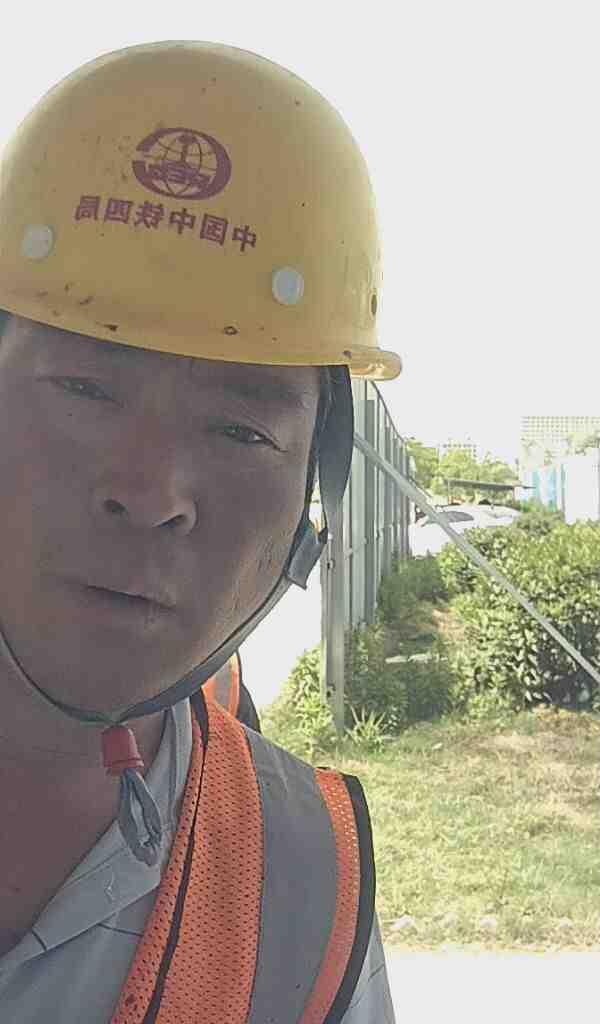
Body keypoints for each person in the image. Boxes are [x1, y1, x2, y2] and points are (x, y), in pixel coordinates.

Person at [0, 41, 401, 1022]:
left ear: (311, 496)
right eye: (83, 387)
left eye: (241, 429)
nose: (149, 492)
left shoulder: (303, 889)